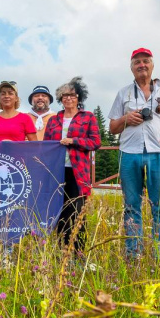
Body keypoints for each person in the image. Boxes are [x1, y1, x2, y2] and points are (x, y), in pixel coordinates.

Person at [108, 48, 160, 263]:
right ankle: (133, 257)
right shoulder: (123, 93)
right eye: (137, 62)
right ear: (131, 67)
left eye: (145, 61)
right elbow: (112, 128)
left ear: (152, 65)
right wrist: (126, 118)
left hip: (158, 153)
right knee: (131, 206)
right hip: (129, 154)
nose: (141, 65)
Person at [43, 77, 101, 254]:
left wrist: (73, 141)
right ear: (60, 99)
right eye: (64, 96)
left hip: (78, 172)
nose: (68, 98)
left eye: (72, 95)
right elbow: (46, 144)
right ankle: (62, 251)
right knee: (59, 212)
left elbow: (95, 142)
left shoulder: (88, 117)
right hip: (57, 172)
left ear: (79, 97)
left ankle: (78, 252)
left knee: (76, 212)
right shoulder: (54, 120)